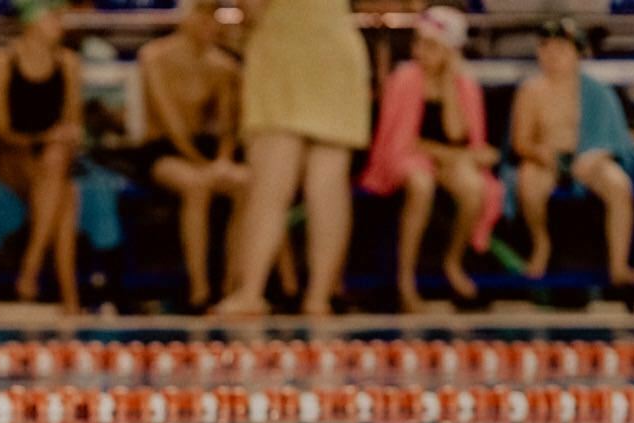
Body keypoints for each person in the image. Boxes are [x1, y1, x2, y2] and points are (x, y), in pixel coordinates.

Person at [211, 0, 370, 318]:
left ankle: (250, 292)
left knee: (270, 188)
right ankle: (318, 298)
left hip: (284, 48)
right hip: (336, 43)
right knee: (327, 183)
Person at [360, 7, 502, 312]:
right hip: (407, 159)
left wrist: (449, 82)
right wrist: (455, 155)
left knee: (474, 189)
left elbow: (457, 132)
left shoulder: (464, 85)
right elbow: (402, 142)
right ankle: (405, 280)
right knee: (421, 184)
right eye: (419, 43)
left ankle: (453, 261)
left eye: (431, 45)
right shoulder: (405, 78)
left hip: (445, 160)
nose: (421, 51)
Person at [509, 17, 634, 285]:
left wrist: (596, 155)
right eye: (546, 48)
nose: (552, 56)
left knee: (618, 184)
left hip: (590, 158)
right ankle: (541, 245)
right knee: (528, 181)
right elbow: (520, 141)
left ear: (577, 54)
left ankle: (618, 265)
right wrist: (542, 154)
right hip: (545, 158)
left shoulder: (597, 92)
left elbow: (616, 139)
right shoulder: (531, 91)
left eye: (560, 50)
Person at [131, 0, 248, 312]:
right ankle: (199, 289)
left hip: (203, 151)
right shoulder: (154, 57)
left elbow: (227, 128)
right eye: (203, 16)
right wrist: (204, 166)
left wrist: (222, 162)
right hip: (162, 150)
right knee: (197, 186)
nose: (209, 25)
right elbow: (170, 125)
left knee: (246, 185)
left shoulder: (223, 66)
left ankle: (234, 287)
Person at [0, 0, 82, 311]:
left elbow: (73, 124)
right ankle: (67, 296)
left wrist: (61, 138)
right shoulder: (0, 62)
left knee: (63, 186)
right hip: (13, 156)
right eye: (53, 17)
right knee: (61, 183)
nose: (60, 24)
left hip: (53, 161)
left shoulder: (68, 63)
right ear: (32, 21)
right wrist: (44, 138)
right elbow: (0, 129)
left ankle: (32, 270)